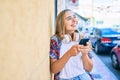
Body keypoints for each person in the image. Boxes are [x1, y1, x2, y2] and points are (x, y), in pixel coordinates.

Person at [49, 9, 93, 80]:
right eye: (69, 18)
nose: (74, 20)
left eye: (74, 17)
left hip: (83, 76)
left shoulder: (82, 38)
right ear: (61, 23)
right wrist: (69, 54)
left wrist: (84, 54)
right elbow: (54, 70)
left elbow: (89, 69)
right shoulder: (55, 40)